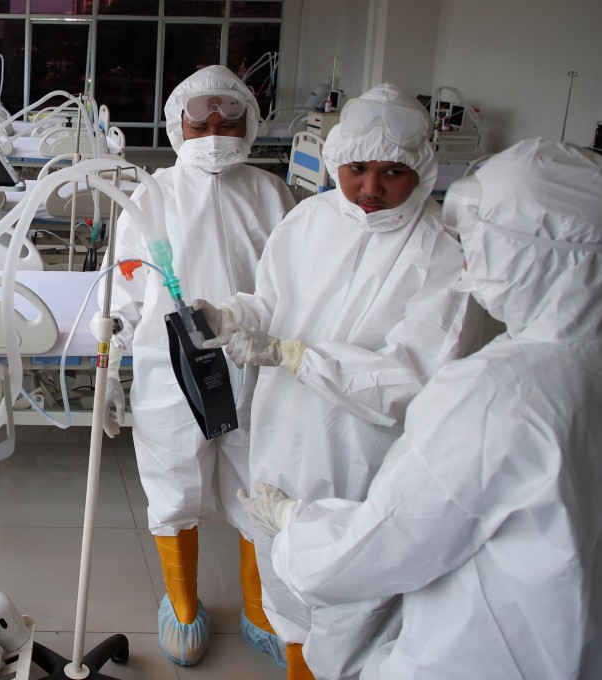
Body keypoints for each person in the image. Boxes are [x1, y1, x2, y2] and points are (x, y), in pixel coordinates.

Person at [242, 138, 602, 679]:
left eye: (483, 242)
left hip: (483, 652)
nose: (470, 259)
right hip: (566, 641)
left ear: (531, 255)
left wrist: (295, 523)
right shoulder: (572, 364)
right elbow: (272, 297)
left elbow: (382, 545)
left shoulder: (495, 394)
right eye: (357, 167)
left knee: (345, 621)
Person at [194, 82, 482, 679]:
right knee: (283, 579)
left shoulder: (440, 253)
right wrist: (232, 316)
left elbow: (409, 378)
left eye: (392, 172)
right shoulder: (310, 219)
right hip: (283, 432)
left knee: (351, 603)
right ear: (336, 161)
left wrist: (296, 357)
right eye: (356, 169)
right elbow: (272, 299)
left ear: (421, 169)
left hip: (365, 456)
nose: (370, 188)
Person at [97, 64, 295, 666]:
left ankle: (261, 607)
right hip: (170, 369)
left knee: (261, 489)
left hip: (256, 366)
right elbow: (124, 295)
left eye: (227, 121)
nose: (213, 132)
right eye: (200, 121)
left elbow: (294, 289)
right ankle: (183, 607)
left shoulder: (272, 194)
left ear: (249, 124)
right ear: (177, 124)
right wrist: (109, 368)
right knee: (173, 486)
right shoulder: (151, 197)